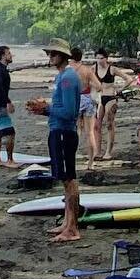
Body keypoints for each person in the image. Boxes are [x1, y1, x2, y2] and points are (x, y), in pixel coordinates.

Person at [27, 40, 82, 242]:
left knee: (69, 180)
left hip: (63, 133)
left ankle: (72, 227)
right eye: (49, 54)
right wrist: (44, 110)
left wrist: (46, 109)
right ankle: (67, 223)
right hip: (59, 131)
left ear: (62, 56)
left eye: (53, 54)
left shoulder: (67, 78)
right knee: (66, 180)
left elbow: (69, 112)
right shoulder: (63, 77)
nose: (50, 57)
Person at [92, 48, 126, 161]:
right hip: (99, 98)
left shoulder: (112, 69)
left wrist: (120, 90)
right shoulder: (94, 68)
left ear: (106, 58)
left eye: (101, 58)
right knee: (97, 125)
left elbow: (129, 79)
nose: (99, 60)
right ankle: (98, 151)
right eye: (97, 58)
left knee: (109, 124)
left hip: (110, 97)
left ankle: (108, 152)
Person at [71, 45, 100, 167]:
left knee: (75, 130)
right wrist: (90, 85)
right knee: (90, 133)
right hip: (88, 98)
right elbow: (99, 86)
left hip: (75, 99)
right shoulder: (87, 70)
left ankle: (71, 158)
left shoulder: (69, 69)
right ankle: (91, 162)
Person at [0, 45, 16, 163]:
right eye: (9, 53)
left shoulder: (1, 69)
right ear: (3, 56)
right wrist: (8, 102)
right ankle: (9, 160)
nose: (11, 55)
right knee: (10, 133)